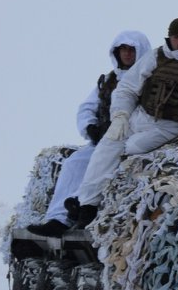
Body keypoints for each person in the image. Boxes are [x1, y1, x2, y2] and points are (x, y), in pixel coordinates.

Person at [69, 17, 178, 222]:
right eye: (177, 37)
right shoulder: (156, 57)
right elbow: (127, 88)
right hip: (140, 117)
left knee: (132, 148)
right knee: (107, 146)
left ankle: (108, 203)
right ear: (169, 39)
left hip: (174, 126)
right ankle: (86, 206)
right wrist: (120, 116)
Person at [31, 31, 152, 236]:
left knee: (109, 167)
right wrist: (89, 127)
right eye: (123, 49)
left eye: (132, 50)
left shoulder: (149, 80)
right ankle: (57, 219)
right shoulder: (108, 80)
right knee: (74, 163)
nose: (128, 54)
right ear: (116, 52)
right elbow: (87, 108)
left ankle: (78, 208)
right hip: (103, 140)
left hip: (132, 143)